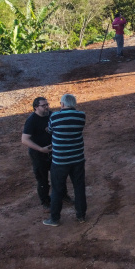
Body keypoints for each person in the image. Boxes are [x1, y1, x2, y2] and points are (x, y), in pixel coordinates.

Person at [44, 93, 87, 227]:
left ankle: (54, 218)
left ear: (62, 104)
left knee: (57, 189)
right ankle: (81, 216)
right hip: (77, 159)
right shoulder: (81, 116)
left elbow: (50, 129)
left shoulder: (54, 116)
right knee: (79, 187)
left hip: (60, 161)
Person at [21, 96, 71, 210]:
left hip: (54, 152)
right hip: (38, 155)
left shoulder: (52, 115)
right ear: (36, 107)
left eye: (47, 104)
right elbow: (24, 139)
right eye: (43, 106)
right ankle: (45, 202)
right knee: (42, 180)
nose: (46, 107)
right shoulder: (32, 120)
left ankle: (63, 195)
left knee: (59, 176)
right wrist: (40, 149)